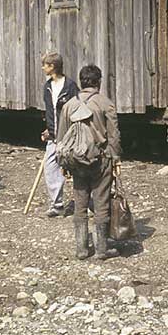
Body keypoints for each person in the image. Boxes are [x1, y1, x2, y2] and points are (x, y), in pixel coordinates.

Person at [56, 64, 121, 261]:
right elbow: (114, 136)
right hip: (101, 160)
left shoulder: (69, 105)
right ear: (98, 82)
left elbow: (62, 138)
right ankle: (102, 249)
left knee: (80, 202)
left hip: (76, 161)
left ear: (81, 81)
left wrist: (63, 165)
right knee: (101, 202)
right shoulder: (106, 103)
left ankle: (81, 249)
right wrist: (116, 159)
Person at [40, 52, 79, 217]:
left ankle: (87, 202)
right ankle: (57, 205)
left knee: (77, 169)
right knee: (50, 168)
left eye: (45, 65)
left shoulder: (70, 86)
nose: (43, 68)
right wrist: (48, 129)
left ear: (52, 67)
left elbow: (77, 110)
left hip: (69, 136)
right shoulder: (47, 87)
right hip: (53, 136)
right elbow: (50, 112)